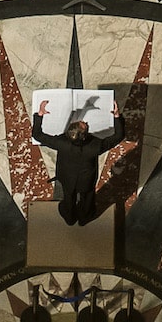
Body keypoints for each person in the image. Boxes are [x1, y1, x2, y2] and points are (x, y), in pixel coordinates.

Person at [31, 97, 125, 226]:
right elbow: (118, 136)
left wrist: (40, 114)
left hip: (67, 177)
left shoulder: (61, 143)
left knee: (68, 196)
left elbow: (37, 135)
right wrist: (116, 116)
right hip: (86, 179)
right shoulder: (95, 146)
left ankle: (69, 217)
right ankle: (86, 216)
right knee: (88, 198)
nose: (84, 121)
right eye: (85, 124)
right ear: (85, 135)